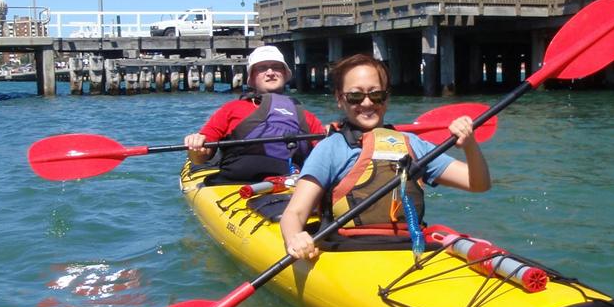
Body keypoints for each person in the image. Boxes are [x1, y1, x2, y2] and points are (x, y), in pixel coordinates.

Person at [280, 53, 491, 261]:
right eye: (355, 96)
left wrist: (469, 145)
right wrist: (294, 238)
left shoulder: (412, 144)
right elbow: (295, 214)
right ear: (339, 99)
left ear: (386, 97)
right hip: (347, 251)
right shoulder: (331, 148)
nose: (367, 103)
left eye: (376, 95)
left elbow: (478, 184)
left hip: (409, 250)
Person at [184, 45, 327, 184]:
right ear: (252, 78)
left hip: (290, 183)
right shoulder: (231, 109)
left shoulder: (305, 116)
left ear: (285, 74)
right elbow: (201, 158)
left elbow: (326, 155)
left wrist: (332, 136)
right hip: (237, 183)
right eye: (262, 68)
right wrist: (196, 145)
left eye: (276, 67)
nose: (270, 72)